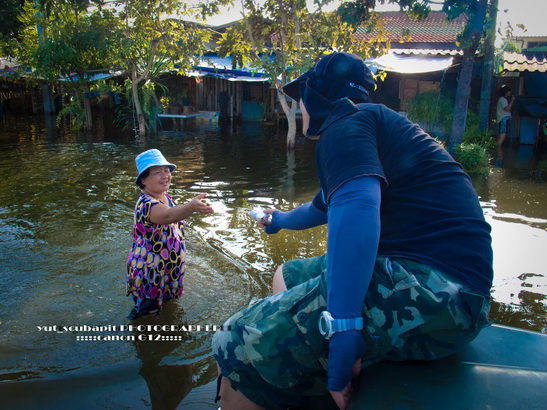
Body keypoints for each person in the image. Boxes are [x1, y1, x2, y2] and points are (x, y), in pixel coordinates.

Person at [212, 52, 493, 410]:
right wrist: (279, 220)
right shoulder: (373, 126)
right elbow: (320, 208)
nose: (300, 107)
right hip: (453, 299)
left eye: (302, 97)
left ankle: (322, 357)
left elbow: (359, 206)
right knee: (287, 272)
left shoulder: (346, 123)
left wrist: (343, 326)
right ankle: (311, 365)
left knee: (234, 341)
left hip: (435, 293)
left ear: (317, 94)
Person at [127, 148, 213, 320]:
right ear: (143, 180)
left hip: (169, 267)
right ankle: (142, 341)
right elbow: (168, 215)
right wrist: (191, 207)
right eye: (157, 172)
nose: (165, 175)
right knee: (146, 317)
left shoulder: (166, 197)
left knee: (168, 307)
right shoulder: (147, 204)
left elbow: (174, 215)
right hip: (150, 272)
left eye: (166, 170)